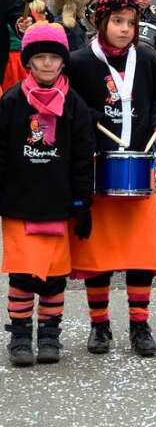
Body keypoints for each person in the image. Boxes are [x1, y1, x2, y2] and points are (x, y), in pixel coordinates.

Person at [67, 0, 156, 357]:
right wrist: (87, 117)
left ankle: (140, 325)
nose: (125, 28)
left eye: (130, 21)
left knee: (139, 254)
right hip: (99, 166)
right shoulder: (80, 62)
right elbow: (69, 103)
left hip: (137, 165)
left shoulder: (146, 59)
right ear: (101, 21)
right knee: (100, 255)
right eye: (117, 21)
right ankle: (99, 326)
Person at [1, 23, 95, 365]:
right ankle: (21, 336)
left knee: (54, 278)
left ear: (62, 62)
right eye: (39, 58)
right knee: (23, 274)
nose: (46, 64)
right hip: (19, 203)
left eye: (53, 58)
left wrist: (83, 202)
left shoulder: (75, 105)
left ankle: (49, 334)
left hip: (58, 203)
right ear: (28, 62)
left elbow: (84, 158)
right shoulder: (11, 101)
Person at [2, 0, 32, 93]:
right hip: (9, 62)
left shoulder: (30, 9)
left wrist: (24, 25)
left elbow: (18, 20)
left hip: (25, 61)